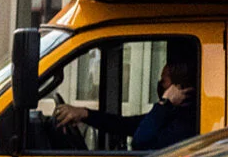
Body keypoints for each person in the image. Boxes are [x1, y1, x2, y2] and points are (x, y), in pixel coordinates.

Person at [53, 62, 197, 151]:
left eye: (163, 80)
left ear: (178, 87)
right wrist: (85, 114)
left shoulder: (186, 123)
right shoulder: (172, 114)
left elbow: (140, 142)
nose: (159, 84)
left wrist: (164, 103)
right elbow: (125, 124)